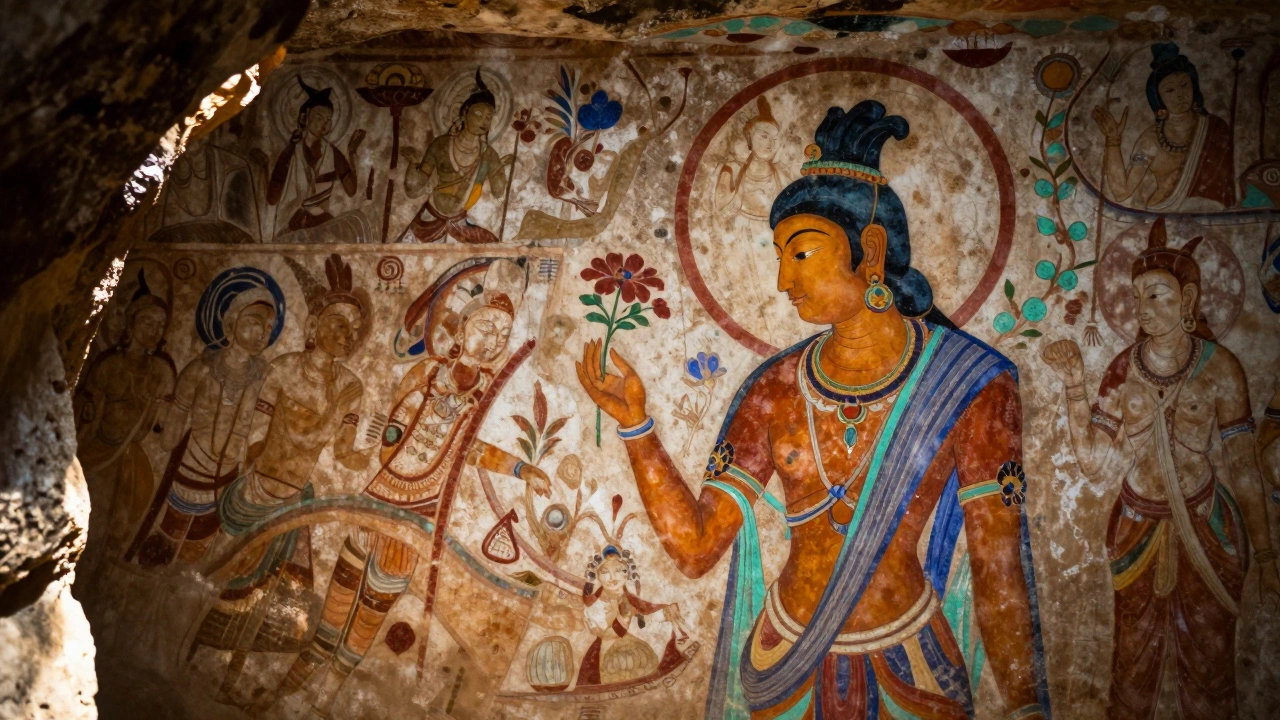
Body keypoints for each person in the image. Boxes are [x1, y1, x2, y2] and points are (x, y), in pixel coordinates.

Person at [577, 101, 1050, 719]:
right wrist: (635, 423)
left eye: (799, 253)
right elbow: (695, 548)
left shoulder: (970, 383)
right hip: (783, 664)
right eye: (780, 257)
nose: (781, 280)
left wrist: (1024, 710)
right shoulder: (774, 388)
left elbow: (996, 570)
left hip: (913, 661)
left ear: (871, 252)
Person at [269, 288, 550, 716]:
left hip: (420, 512)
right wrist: (393, 432)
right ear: (462, 328)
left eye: (503, 334)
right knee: (341, 594)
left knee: (372, 608)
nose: (493, 339)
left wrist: (519, 468)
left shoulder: (482, 397)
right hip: (382, 495)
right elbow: (392, 433)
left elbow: (469, 451)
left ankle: (329, 692)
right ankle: (297, 678)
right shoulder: (425, 372)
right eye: (485, 326)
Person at [1041, 218, 1280, 719]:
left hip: (1208, 527)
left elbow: (1242, 467)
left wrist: (1265, 554)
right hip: (1135, 527)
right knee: (1131, 666)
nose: (1143, 309)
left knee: (1212, 669)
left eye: (1157, 295)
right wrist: (1074, 387)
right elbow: (1091, 464)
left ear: (1188, 301)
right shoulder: (1122, 370)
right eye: (1136, 296)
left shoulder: (1221, 368)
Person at [186, 254, 371, 703]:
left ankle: (234, 685)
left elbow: (345, 456)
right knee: (222, 589)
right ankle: (186, 666)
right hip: (258, 492)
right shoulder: (283, 369)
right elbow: (258, 439)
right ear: (313, 326)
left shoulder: (352, 386)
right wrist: (328, 415)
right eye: (337, 323)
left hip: (297, 503)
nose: (346, 336)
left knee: (271, 605)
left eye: (353, 328)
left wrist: (383, 449)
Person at [130, 284, 278, 567]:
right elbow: (171, 429)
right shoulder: (201, 369)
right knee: (167, 539)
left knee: (196, 553)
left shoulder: (265, 378)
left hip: (228, 474)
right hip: (191, 465)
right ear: (232, 322)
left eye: (268, 327)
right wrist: (167, 442)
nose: (262, 333)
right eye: (254, 323)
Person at [75, 271, 177, 581]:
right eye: (148, 322)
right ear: (131, 323)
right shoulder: (108, 366)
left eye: (160, 326)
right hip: (96, 458)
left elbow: (162, 427)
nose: (153, 330)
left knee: (113, 531)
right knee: (86, 522)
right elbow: (87, 421)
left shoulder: (160, 371)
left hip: (129, 462)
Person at [1092, 42, 1236, 212]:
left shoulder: (1215, 129)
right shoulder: (1150, 141)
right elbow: (1122, 192)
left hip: (1209, 214)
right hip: (1160, 216)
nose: (1180, 95)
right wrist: (1113, 140)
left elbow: (1224, 193)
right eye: (1169, 90)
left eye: (1185, 85)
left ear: (1194, 88)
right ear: (1158, 99)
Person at [398, 70, 514, 243]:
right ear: (465, 112)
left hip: (461, 224)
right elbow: (414, 189)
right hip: (430, 220)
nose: (484, 121)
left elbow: (498, 192)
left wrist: (500, 169)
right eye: (478, 114)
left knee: (492, 251)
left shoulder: (488, 154)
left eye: (489, 117)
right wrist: (414, 164)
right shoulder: (441, 145)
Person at [576, 545, 689, 688]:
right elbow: (600, 627)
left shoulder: (628, 600)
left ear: (627, 573)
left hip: (624, 643)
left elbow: (645, 610)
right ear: (597, 575)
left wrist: (667, 610)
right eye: (605, 572)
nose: (612, 577)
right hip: (604, 648)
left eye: (618, 571)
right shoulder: (594, 601)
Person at [266, 77, 361, 233]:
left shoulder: (332, 153)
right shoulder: (291, 152)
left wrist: (352, 154)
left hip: (321, 221)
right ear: (305, 117)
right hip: (290, 223)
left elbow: (351, 190)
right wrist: (265, 169)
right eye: (319, 117)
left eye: (328, 120)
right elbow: (272, 198)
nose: (324, 124)